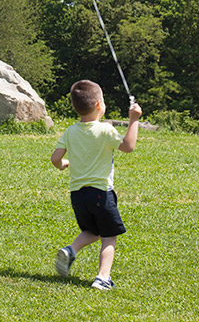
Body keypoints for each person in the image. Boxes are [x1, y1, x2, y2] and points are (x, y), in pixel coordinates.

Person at [50, 79, 142, 291]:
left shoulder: (70, 131)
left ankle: (71, 250)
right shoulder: (105, 130)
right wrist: (134, 120)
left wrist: (63, 164)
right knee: (109, 236)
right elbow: (128, 147)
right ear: (99, 105)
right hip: (101, 193)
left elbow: (55, 158)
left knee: (93, 230)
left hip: (78, 195)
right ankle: (102, 278)